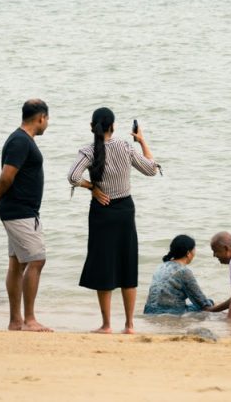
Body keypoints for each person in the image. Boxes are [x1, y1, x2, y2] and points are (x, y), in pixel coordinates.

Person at [67, 107, 161, 334]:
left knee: (104, 265)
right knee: (127, 264)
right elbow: (151, 170)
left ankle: (107, 325)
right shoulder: (125, 146)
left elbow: (72, 177)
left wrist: (93, 187)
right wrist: (142, 140)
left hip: (101, 210)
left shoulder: (88, 151)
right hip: (125, 210)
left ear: (92, 127)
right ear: (113, 126)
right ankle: (129, 325)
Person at [0, 98, 52, 332]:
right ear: (41, 118)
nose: (47, 124)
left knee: (17, 264)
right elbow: (6, 176)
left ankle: (15, 321)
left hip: (20, 210)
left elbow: (8, 177)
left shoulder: (19, 139)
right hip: (20, 212)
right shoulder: (20, 141)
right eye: (47, 119)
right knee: (37, 260)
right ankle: (29, 319)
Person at [143, 234, 214, 315]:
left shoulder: (161, 266)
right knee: (210, 303)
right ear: (188, 253)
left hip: (148, 311)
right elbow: (203, 303)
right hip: (169, 313)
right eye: (194, 249)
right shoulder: (183, 271)